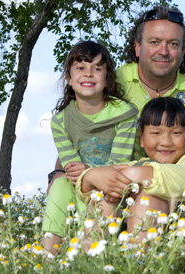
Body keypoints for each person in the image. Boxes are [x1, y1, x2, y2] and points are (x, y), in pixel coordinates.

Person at [49, 6, 185, 201]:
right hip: (113, 183)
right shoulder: (111, 82)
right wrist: (57, 172)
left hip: (173, 186)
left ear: (183, 51)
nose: (163, 51)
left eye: (173, 44)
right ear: (138, 47)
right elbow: (79, 131)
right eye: (154, 42)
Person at [41, 41, 138, 252]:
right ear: (68, 77)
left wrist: (91, 173)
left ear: (107, 78)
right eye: (80, 68)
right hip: (80, 186)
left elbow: (118, 164)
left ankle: (89, 253)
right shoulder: (60, 122)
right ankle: (48, 254)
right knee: (59, 184)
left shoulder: (125, 113)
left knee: (105, 196)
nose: (88, 74)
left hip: (115, 186)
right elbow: (72, 168)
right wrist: (87, 175)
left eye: (97, 68)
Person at [75, 97, 185, 241]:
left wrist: (133, 175)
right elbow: (88, 191)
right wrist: (90, 177)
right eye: (156, 133)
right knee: (104, 196)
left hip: (183, 236)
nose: (166, 142)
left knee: (146, 195)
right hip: (134, 232)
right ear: (141, 137)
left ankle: (139, 258)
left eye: (176, 133)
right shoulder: (135, 165)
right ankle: (91, 256)